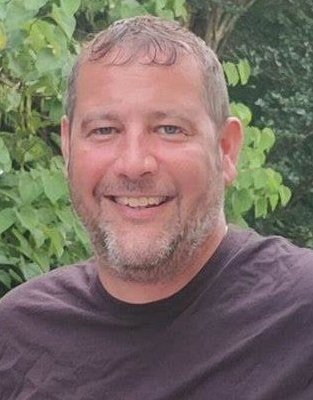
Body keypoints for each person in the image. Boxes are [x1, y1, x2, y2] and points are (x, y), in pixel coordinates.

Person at [1, 15, 313, 400]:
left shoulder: (301, 315)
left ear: (226, 149)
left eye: (169, 129)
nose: (133, 164)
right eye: (104, 130)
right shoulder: (17, 337)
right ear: (68, 148)